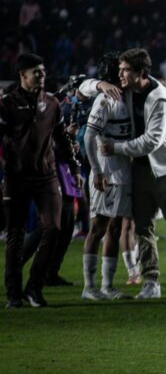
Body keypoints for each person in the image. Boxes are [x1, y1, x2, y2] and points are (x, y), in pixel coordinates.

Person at [90, 48, 166, 300]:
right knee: (143, 228)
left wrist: (116, 147)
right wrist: (99, 84)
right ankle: (151, 281)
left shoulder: (161, 99)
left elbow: (151, 141)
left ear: (142, 73)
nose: (120, 74)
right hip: (138, 169)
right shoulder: (124, 91)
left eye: (125, 70)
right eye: (119, 70)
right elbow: (81, 88)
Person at [1, 53, 83, 308]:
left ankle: (34, 288)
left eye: (43, 70)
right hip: (16, 177)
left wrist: (74, 168)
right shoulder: (7, 105)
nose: (42, 75)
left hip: (46, 176)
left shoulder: (52, 104)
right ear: (22, 75)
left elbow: (61, 138)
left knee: (54, 228)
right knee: (15, 234)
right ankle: (14, 294)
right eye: (36, 71)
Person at [81, 52, 135, 300]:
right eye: (121, 70)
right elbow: (89, 136)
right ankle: (89, 287)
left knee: (115, 228)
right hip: (107, 172)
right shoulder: (105, 99)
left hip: (124, 170)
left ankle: (107, 285)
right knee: (98, 227)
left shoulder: (131, 95)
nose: (125, 73)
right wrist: (97, 170)